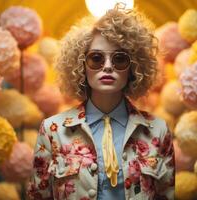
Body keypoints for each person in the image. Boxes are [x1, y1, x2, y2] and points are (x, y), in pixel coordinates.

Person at [28, 4, 175, 200]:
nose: (107, 67)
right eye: (96, 58)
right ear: (81, 65)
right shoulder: (53, 131)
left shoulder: (158, 130)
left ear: (133, 68)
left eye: (119, 59)